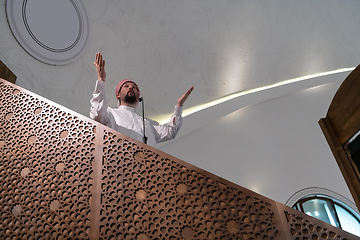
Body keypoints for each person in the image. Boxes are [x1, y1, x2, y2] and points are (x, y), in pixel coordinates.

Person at [90, 52, 194, 147]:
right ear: (118, 94)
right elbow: (97, 115)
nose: (131, 88)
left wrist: (179, 106)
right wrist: (101, 80)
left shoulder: (148, 123)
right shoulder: (110, 114)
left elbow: (170, 132)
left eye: (134, 87)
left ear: (138, 97)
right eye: (126, 86)